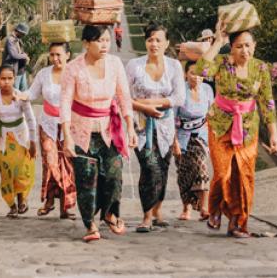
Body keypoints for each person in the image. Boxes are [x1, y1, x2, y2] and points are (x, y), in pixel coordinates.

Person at [195, 20, 277, 238]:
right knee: (223, 173)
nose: (245, 50)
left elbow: (267, 102)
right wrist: (217, 41)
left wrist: (273, 135)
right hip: (220, 125)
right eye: (240, 46)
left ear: (255, 45)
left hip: (248, 128)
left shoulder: (260, 67)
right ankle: (215, 209)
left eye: (249, 45)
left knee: (244, 176)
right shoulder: (222, 62)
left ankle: (237, 222)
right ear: (231, 47)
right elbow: (201, 69)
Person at [60, 24, 137, 243]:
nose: (104, 45)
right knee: (86, 179)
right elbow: (65, 102)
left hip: (109, 130)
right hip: (80, 132)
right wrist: (67, 136)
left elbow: (123, 97)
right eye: (99, 41)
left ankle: (110, 213)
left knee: (114, 174)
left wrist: (130, 127)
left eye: (106, 40)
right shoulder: (73, 68)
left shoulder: (115, 64)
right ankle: (90, 224)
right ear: (86, 43)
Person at [126, 23, 185, 233]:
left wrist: (154, 104)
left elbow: (179, 97)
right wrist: (144, 107)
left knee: (162, 168)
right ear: (146, 42)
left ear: (167, 43)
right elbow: (123, 96)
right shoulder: (134, 65)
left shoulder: (174, 66)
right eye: (151, 39)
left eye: (159, 40)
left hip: (166, 125)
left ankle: (158, 210)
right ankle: (146, 215)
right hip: (142, 125)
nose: (154, 44)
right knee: (149, 167)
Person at [18, 42, 77, 219]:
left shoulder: (75, 73)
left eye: (59, 54)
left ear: (68, 54)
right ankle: (50, 200)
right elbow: (32, 94)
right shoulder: (44, 74)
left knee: (67, 166)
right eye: (52, 55)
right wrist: (19, 95)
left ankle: (64, 206)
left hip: (70, 126)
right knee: (50, 163)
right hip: (48, 124)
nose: (55, 58)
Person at [0, 64, 37, 218]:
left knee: (22, 171)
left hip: (21, 139)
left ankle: (22, 200)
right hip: (3, 140)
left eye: (10, 78)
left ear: (14, 79)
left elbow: (30, 119)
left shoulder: (21, 97)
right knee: (7, 173)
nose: (6, 82)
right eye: (3, 79)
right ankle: (12, 205)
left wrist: (33, 142)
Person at [173, 61, 214, 221]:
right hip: (182, 138)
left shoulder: (208, 90)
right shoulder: (180, 91)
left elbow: (212, 111)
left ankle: (204, 207)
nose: (196, 77)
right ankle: (187, 208)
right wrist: (174, 141)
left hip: (201, 137)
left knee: (202, 168)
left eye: (199, 74)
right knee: (184, 173)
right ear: (185, 74)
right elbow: (172, 117)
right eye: (192, 73)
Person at [3, 23, 30, 92]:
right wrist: (25, 56)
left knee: (24, 92)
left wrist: (24, 55)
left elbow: (19, 52)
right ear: (18, 31)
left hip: (21, 70)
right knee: (15, 92)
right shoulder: (10, 40)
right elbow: (14, 55)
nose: (23, 36)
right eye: (23, 34)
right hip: (13, 70)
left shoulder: (18, 39)